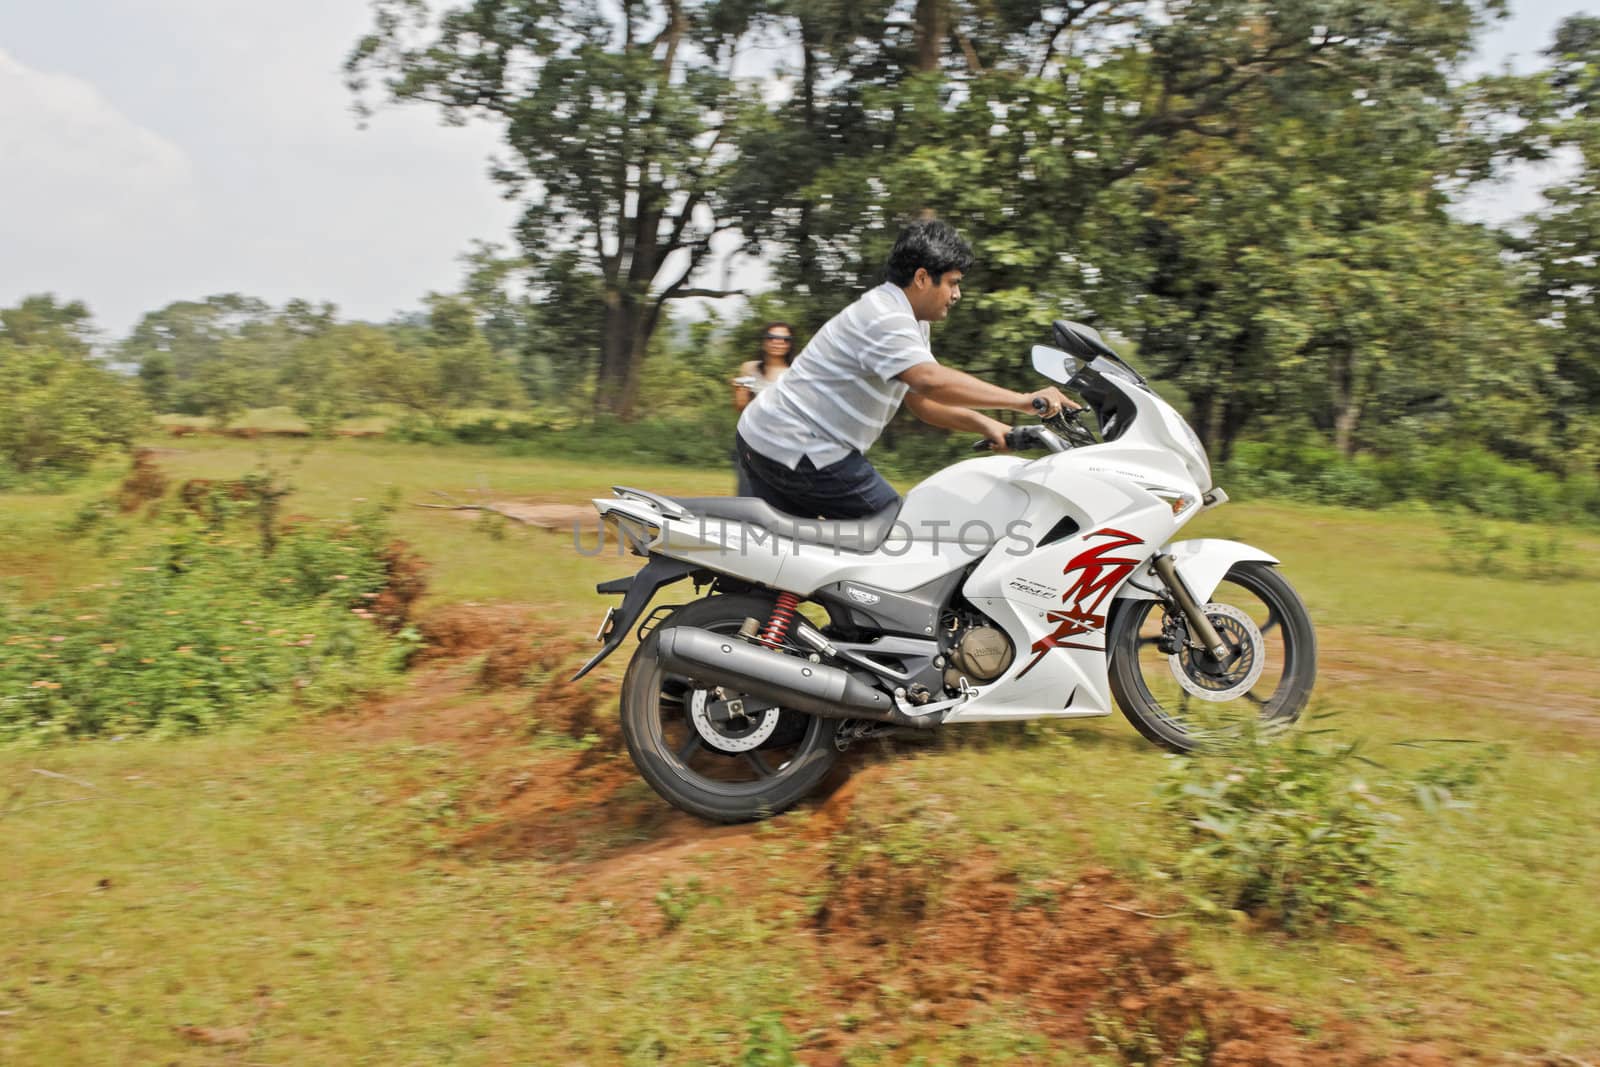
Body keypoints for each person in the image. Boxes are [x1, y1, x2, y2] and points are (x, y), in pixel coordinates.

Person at [734, 218, 1072, 519]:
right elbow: (929, 382)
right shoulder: (886, 317)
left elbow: (919, 401)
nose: (957, 294)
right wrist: (1024, 400)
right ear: (923, 278)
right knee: (896, 534)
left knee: (795, 557)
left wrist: (983, 424)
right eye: (953, 283)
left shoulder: (909, 320)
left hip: (772, 437)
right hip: (799, 446)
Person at [730, 323, 795, 496]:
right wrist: (739, 392)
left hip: (783, 442)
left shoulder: (795, 372)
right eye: (772, 337)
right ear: (764, 342)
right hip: (751, 440)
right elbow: (740, 407)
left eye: (784, 339)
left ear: (789, 344)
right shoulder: (749, 368)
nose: (777, 342)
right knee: (747, 493)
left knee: (779, 496)